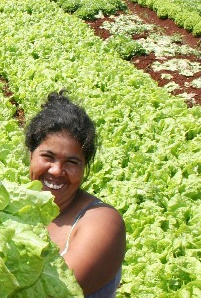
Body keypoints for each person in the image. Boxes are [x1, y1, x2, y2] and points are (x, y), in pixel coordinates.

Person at [25, 90, 126, 297]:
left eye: (71, 162)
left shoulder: (102, 221)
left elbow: (53, 292)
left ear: (84, 167)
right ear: (31, 155)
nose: (56, 170)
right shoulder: (18, 207)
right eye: (48, 157)